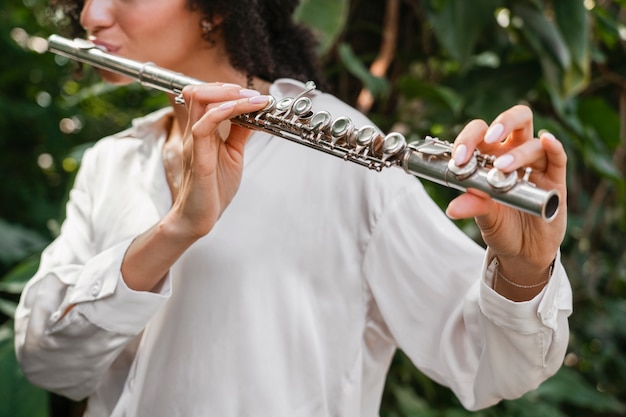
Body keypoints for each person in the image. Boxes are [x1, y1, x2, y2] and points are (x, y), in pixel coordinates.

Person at [14, 0, 572, 416]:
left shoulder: (342, 155)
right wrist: (175, 231)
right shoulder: (111, 163)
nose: (91, 14)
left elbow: (490, 363)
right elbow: (48, 362)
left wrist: (524, 272)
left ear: (213, 10)